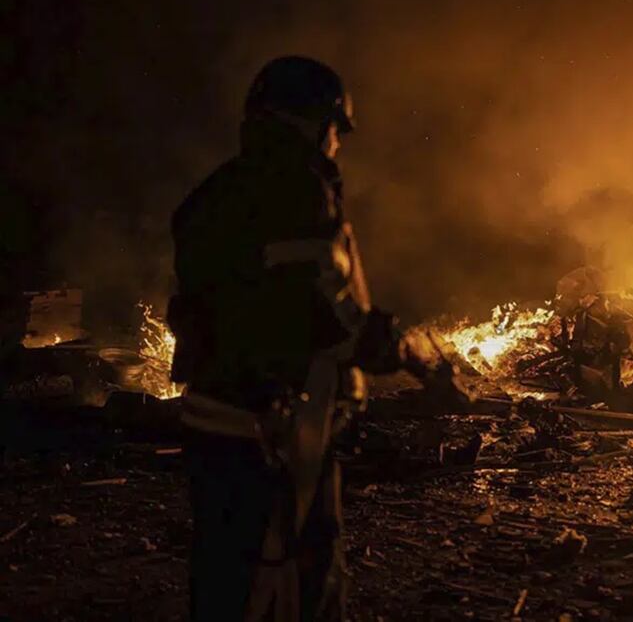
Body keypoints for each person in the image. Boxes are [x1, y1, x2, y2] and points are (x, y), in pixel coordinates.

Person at [168, 55, 462, 621]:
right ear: (313, 122)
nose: (337, 146)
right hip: (277, 432)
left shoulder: (214, 194)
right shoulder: (296, 190)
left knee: (225, 581)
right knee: (300, 585)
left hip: (213, 423)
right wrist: (412, 357)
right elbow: (329, 316)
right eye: (335, 130)